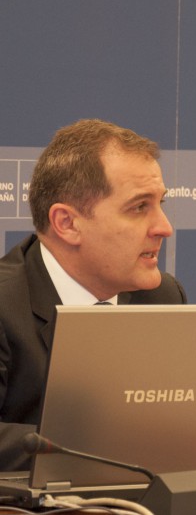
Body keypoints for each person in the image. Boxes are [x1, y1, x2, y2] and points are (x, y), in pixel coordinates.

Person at [0, 119, 186, 470]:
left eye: (161, 203)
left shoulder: (162, 297)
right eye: (139, 207)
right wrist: (115, 442)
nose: (164, 227)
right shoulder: (5, 304)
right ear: (67, 224)